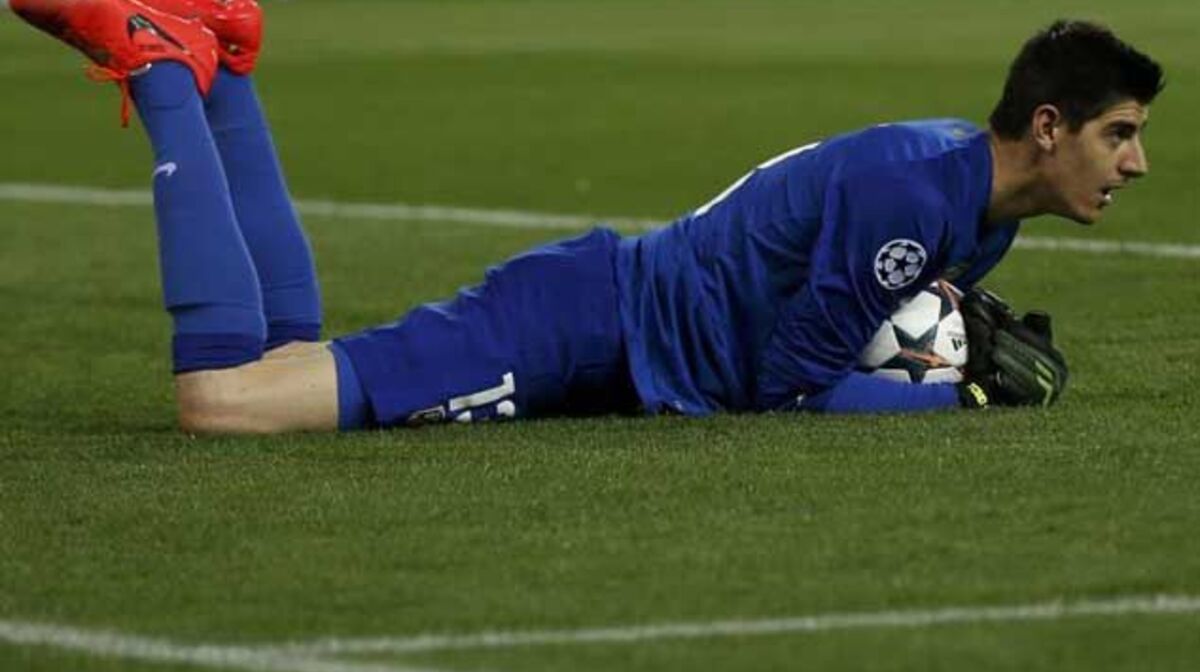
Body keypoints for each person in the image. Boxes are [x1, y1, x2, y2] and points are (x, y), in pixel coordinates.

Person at [10, 0, 1164, 433]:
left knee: (283, 358)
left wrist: (936, 339)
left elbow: (858, 302)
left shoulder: (972, 200)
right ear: (1048, 126)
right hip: (587, 324)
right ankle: (163, 67)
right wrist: (947, 400)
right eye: (1119, 133)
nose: (1138, 161)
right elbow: (784, 385)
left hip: (617, 333)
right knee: (225, 403)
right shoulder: (917, 195)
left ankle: (221, 54)